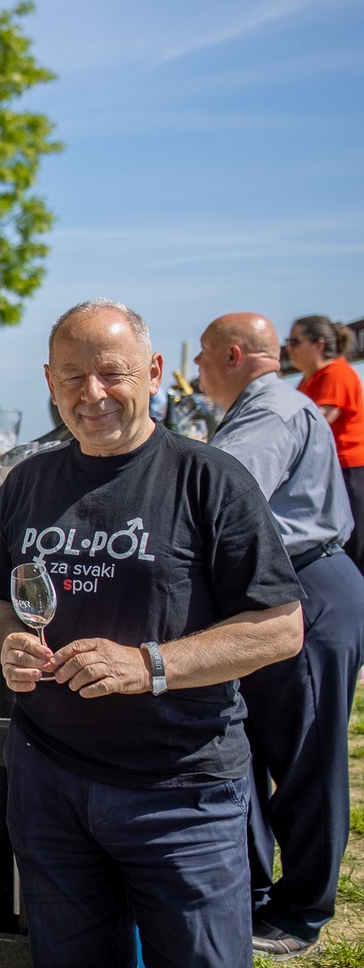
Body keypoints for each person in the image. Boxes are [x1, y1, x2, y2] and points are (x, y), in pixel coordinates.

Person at [0, 300, 304, 968]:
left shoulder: (209, 479)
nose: (92, 393)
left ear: (153, 372)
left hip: (179, 791)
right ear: (48, 382)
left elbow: (279, 629)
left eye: (112, 374)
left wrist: (147, 665)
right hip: (50, 781)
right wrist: (7, 641)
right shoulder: (26, 483)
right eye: (73, 377)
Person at [195, 313, 364, 958]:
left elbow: (218, 494)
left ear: (233, 355)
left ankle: (301, 913)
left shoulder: (270, 411)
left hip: (306, 591)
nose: (197, 368)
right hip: (283, 590)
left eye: (204, 354)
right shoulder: (264, 406)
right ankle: (257, 893)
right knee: (254, 749)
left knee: (305, 762)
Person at [287, 315, 364, 573]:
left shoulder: (336, 373)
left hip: (349, 469)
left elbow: (314, 422)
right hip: (331, 470)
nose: (289, 349)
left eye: (295, 341)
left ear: (318, 345)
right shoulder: (310, 378)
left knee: (353, 545)